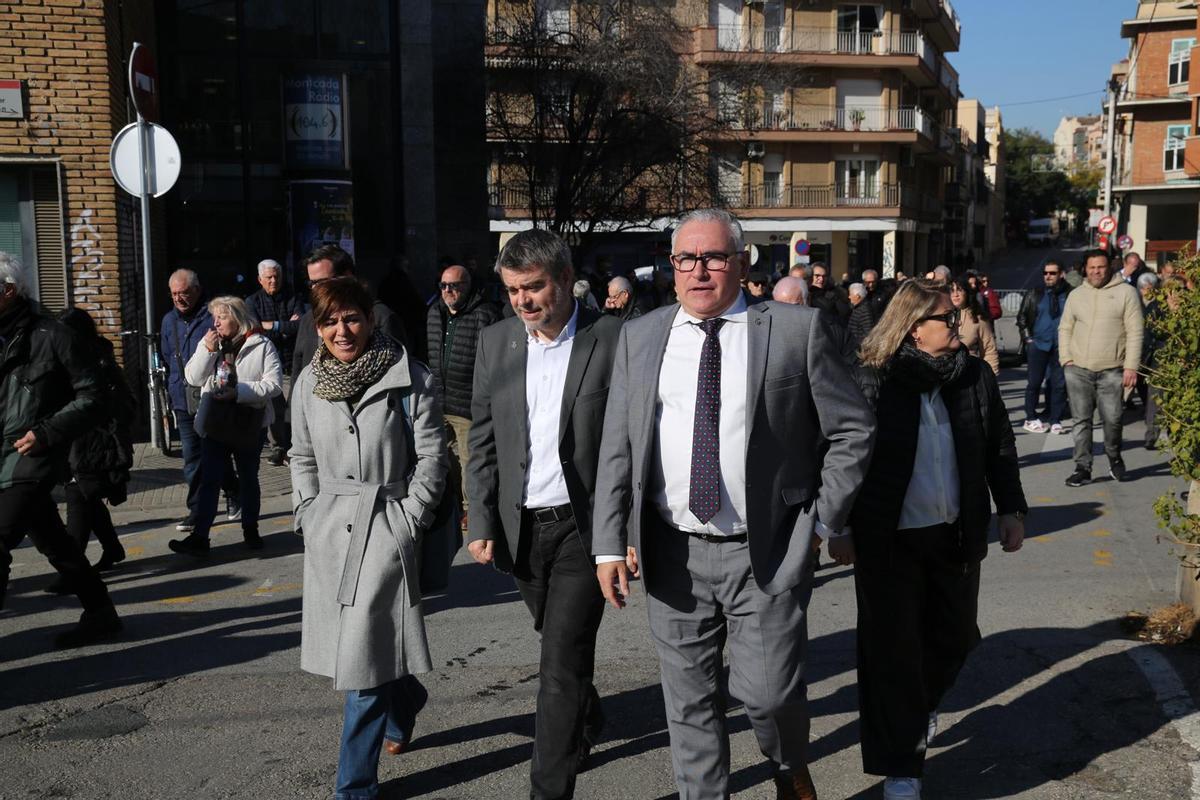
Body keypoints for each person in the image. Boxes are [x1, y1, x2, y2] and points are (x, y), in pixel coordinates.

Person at [591, 209, 875, 800]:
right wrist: (607, 542)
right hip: (671, 552)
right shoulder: (642, 337)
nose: (699, 271)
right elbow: (618, 444)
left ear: (740, 263)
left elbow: (853, 430)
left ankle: (787, 761)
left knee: (769, 697)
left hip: (765, 551)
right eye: (686, 260)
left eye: (714, 257)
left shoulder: (796, 330)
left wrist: (823, 519)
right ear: (671, 268)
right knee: (689, 705)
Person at [851, 279, 1027, 800]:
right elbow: (840, 455)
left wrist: (1011, 507)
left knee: (953, 641)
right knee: (892, 654)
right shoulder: (873, 377)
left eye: (955, 318)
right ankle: (901, 766)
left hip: (955, 534)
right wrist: (837, 525)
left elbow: (999, 442)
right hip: (890, 541)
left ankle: (921, 707)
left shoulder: (972, 375)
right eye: (946, 320)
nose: (957, 326)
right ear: (911, 329)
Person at [466, 229, 621, 798]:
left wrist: (621, 531)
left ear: (563, 280)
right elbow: (482, 438)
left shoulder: (611, 339)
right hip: (522, 527)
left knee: (559, 663)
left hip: (583, 528)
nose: (523, 302)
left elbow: (627, 442)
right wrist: (480, 519)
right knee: (558, 641)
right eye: (512, 291)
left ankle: (548, 789)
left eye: (534, 288)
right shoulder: (498, 341)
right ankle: (586, 714)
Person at [290, 277, 446, 800]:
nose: (342, 330)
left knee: (361, 663)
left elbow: (432, 457)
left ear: (370, 318)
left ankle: (353, 789)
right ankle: (406, 700)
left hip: (386, 527)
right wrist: (305, 513)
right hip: (330, 532)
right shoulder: (308, 383)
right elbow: (301, 455)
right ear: (318, 328)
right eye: (330, 321)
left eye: (352, 317)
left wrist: (410, 517)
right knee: (372, 651)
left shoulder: (411, 378)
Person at [0, 252, 120, 648]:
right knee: (53, 538)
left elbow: (95, 395)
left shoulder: (53, 336)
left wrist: (47, 432)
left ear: (8, 290)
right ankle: (101, 611)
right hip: (3, 455)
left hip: (32, 454)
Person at [169, 296, 282, 556]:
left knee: (248, 478)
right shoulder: (211, 342)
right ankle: (200, 537)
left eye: (222, 317)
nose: (216, 323)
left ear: (238, 318)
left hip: (247, 421)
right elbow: (193, 378)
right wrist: (206, 351)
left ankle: (250, 530)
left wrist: (238, 391)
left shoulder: (261, 344)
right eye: (214, 317)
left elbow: (273, 385)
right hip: (216, 421)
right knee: (210, 479)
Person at [161, 269, 241, 532]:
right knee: (192, 457)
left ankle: (232, 492)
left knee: (216, 453)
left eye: (184, 293)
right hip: (182, 398)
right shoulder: (167, 321)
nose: (179, 299)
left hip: (210, 396)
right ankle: (196, 511)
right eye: (174, 294)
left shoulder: (212, 317)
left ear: (196, 289)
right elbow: (166, 356)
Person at [57, 308, 135, 575]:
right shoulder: (73, 360)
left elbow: (121, 406)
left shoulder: (95, 364)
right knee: (88, 501)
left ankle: (72, 572)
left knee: (78, 505)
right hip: (76, 445)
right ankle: (112, 548)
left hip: (90, 446)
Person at [1059, 249, 1144, 486]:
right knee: (1081, 421)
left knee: (1113, 419)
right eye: (1092, 267)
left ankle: (1114, 456)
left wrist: (1131, 367)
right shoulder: (1076, 295)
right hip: (1078, 369)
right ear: (1085, 269)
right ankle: (1082, 467)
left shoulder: (1126, 293)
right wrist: (1066, 359)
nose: (1096, 271)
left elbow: (1135, 332)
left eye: (1101, 267)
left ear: (1110, 267)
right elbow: (1065, 328)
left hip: (1113, 370)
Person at [425, 263, 500, 523]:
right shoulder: (434, 313)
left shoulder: (485, 314)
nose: (449, 291)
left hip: (468, 400)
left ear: (468, 287)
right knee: (441, 456)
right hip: (438, 398)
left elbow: (492, 361)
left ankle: (472, 508)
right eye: (444, 285)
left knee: (471, 458)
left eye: (455, 286)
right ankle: (453, 502)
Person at [292, 245, 407, 386]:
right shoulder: (308, 319)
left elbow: (399, 372)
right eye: (312, 283)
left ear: (348, 276)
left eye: (322, 282)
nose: (316, 289)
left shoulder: (380, 316)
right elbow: (297, 372)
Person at [245, 258, 305, 466]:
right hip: (268, 364)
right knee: (276, 410)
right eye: (269, 277)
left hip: (290, 362)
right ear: (260, 279)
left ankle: (296, 447)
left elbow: (302, 326)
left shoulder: (293, 298)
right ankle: (279, 448)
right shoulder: (252, 302)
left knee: (294, 407)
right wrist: (286, 327)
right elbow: (254, 330)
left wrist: (274, 325)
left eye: (276, 276)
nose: (273, 280)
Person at [1017, 260, 1071, 435]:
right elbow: (1022, 317)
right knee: (1034, 383)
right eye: (1045, 273)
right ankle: (1031, 418)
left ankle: (1055, 420)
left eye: (1052, 273)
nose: (1048, 276)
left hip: (1060, 346)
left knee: (1058, 385)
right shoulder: (1035, 293)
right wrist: (1028, 339)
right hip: (1038, 344)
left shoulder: (1070, 294)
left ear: (1061, 274)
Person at [948, 279, 999, 374]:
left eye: (959, 290)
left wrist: (992, 376)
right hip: (945, 376)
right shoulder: (940, 316)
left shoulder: (978, 318)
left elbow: (989, 349)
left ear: (966, 292)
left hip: (970, 375)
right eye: (952, 290)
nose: (955, 294)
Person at [1138, 271, 1164, 449]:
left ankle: (1152, 434)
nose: (1144, 291)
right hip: (1145, 356)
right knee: (1150, 394)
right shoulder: (1138, 302)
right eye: (1142, 289)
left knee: (1156, 396)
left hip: (1159, 356)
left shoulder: (1160, 306)